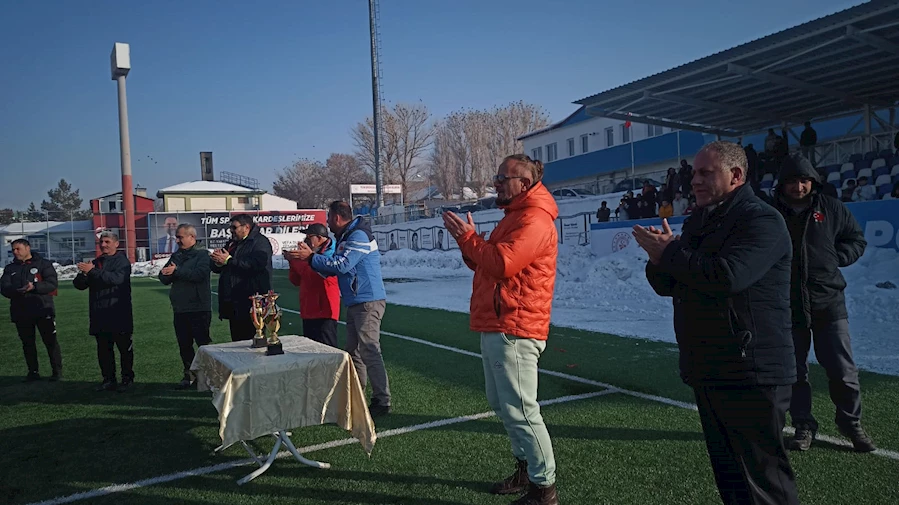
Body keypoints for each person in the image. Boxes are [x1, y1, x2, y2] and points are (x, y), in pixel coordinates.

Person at [635, 141, 799, 505]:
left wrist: (670, 252)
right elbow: (671, 284)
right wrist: (658, 259)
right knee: (731, 477)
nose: (694, 181)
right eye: (694, 173)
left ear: (736, 175)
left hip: (752, 369)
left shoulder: (762, 220)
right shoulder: (701, 220)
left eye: (705, 173)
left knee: (764, 482)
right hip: (711, 365)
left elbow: (727, 277)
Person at [443, 153, 560, 505]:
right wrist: (469, 243)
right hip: (502, 322)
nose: (495, 183)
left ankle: (544, 490)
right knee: (504, 404)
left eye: (501, 178)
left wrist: (470, 240)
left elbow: (503, 263)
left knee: (521, 410)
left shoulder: (534, 219)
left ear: (524, 183)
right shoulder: (516, 216)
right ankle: (527, 471)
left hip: (515, 325)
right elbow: (489, 262)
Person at [772, 156, 875, 452]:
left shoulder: (831, 208)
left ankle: (851, 424)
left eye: (804, 181)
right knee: (794, 372)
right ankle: (803, 425)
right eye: (792, 181)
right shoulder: (771, 212)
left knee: (843, 370)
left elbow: (856, 240)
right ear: (783, 184)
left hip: (828, 301)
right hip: (788, 303)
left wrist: (836, 258)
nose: (799, 187)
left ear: (813, 182)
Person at [293, 201, 391, 417]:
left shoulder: (358, 236)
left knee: (369, 349)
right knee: (354, 351)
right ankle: (357, 395)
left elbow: (342, 265)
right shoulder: (348, 236)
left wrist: (311, 257)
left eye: (328, 217)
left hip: (367, 300)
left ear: (337, 217)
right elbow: (334, 268)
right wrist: (309, 260)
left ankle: (382, 400)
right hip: (357, 300)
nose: (327, 223)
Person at [73, 231, 135, 393]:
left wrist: (92, 271)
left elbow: (116, 279)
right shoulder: (96, 262)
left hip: (119, 312)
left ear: (116, 244)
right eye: (101, 242)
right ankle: (108, 379)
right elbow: (79, 285)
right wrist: (84, 274)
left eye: (107, 241)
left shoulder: (122, 262)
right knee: (103, 350)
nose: (103, 245)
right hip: (99, 313)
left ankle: (127, 379)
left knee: (124, 349)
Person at [158, 224, 212, 389]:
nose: (177, 240)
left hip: (199, 307)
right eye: (177, 237)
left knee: (203, 345)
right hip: (180, 308)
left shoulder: (203, 255)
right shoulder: (177, 255)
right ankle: (189, 376)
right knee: (184, 345)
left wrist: (177, 271)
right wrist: (166, 273)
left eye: (180, 237)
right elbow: (163, 277)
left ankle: (209, 377)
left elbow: (199, 275)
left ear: (192, 237)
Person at [0, 239, 62, 382]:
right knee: (27, 343)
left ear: (28, 248)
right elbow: (3, 287)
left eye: (18, 249)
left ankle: (57, 371)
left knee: (50, 342)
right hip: (21, 311)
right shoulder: (10, 268)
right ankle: (33, 372)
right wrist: (16, 290)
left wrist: (35, 287)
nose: (15, 252)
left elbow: (52, 284)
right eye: (13, 250)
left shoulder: (43, 264)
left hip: (42, 310)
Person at [210, 214, 273, 342]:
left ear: (246, 227)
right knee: (237, 342)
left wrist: (228, 260)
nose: (231, 231)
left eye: (234, 227)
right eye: (230, 228)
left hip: (251, 301)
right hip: (234, 302)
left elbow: (255, 264)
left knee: (254, 341)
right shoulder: (232, 243)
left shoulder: (260, 242)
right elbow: (219, 267)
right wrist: (217, 261)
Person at [285, 223, 340, 348]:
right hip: (308, 309)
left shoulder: (331, 253)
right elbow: (296, 281)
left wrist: (298, 260)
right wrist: (293, 262)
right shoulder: (311, 255)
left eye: (309, 237)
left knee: (327, 349)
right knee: (310, 349)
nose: (306, 240)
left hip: (324, 310)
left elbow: (314, 274)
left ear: (319, 238)